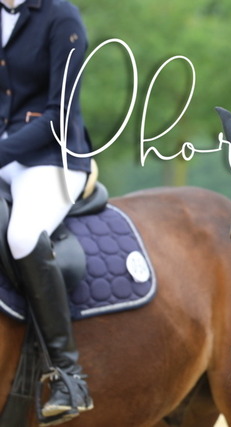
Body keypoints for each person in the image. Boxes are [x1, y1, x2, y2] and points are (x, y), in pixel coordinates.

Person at [0, 0, 94, 422]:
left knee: (23, 235)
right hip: (5, 154)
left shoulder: (61, 17)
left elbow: (61, 114)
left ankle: (69, 377)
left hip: (53, 158)